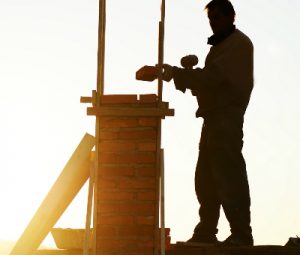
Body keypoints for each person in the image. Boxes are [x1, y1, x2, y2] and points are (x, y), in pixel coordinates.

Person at [162, 0, 254, 246]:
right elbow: (209, 80)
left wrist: (176, 73)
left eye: (217, 17)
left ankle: (241, 234)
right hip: (213, 119)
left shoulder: (238, 44)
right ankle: (206, 231)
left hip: (226, 120)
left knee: (228, 176)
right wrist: (187, 75)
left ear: (230, 17)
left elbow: (214, 79)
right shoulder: (222, 45)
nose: (213, 23)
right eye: (210, 19)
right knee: (205, 178)